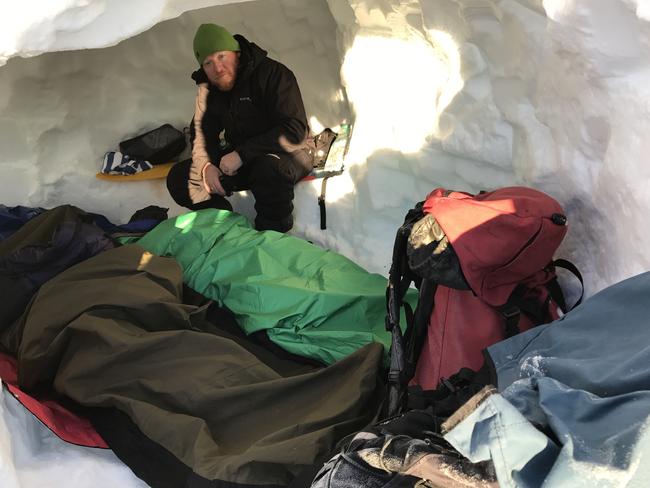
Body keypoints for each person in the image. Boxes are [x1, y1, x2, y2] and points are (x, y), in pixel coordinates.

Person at [167, 23, 315, 233]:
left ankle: (272, 237)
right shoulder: (210, 90)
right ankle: (227, 229)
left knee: (269, 169)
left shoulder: (273, 74)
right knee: (180, 177)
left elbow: (295, 130)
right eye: (208, 63)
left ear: (236, 53)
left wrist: (241, 154)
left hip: (288, 154)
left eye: (221, 56)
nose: (217, 68)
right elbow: (201, 133)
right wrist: (207, 165)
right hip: (243, 159)